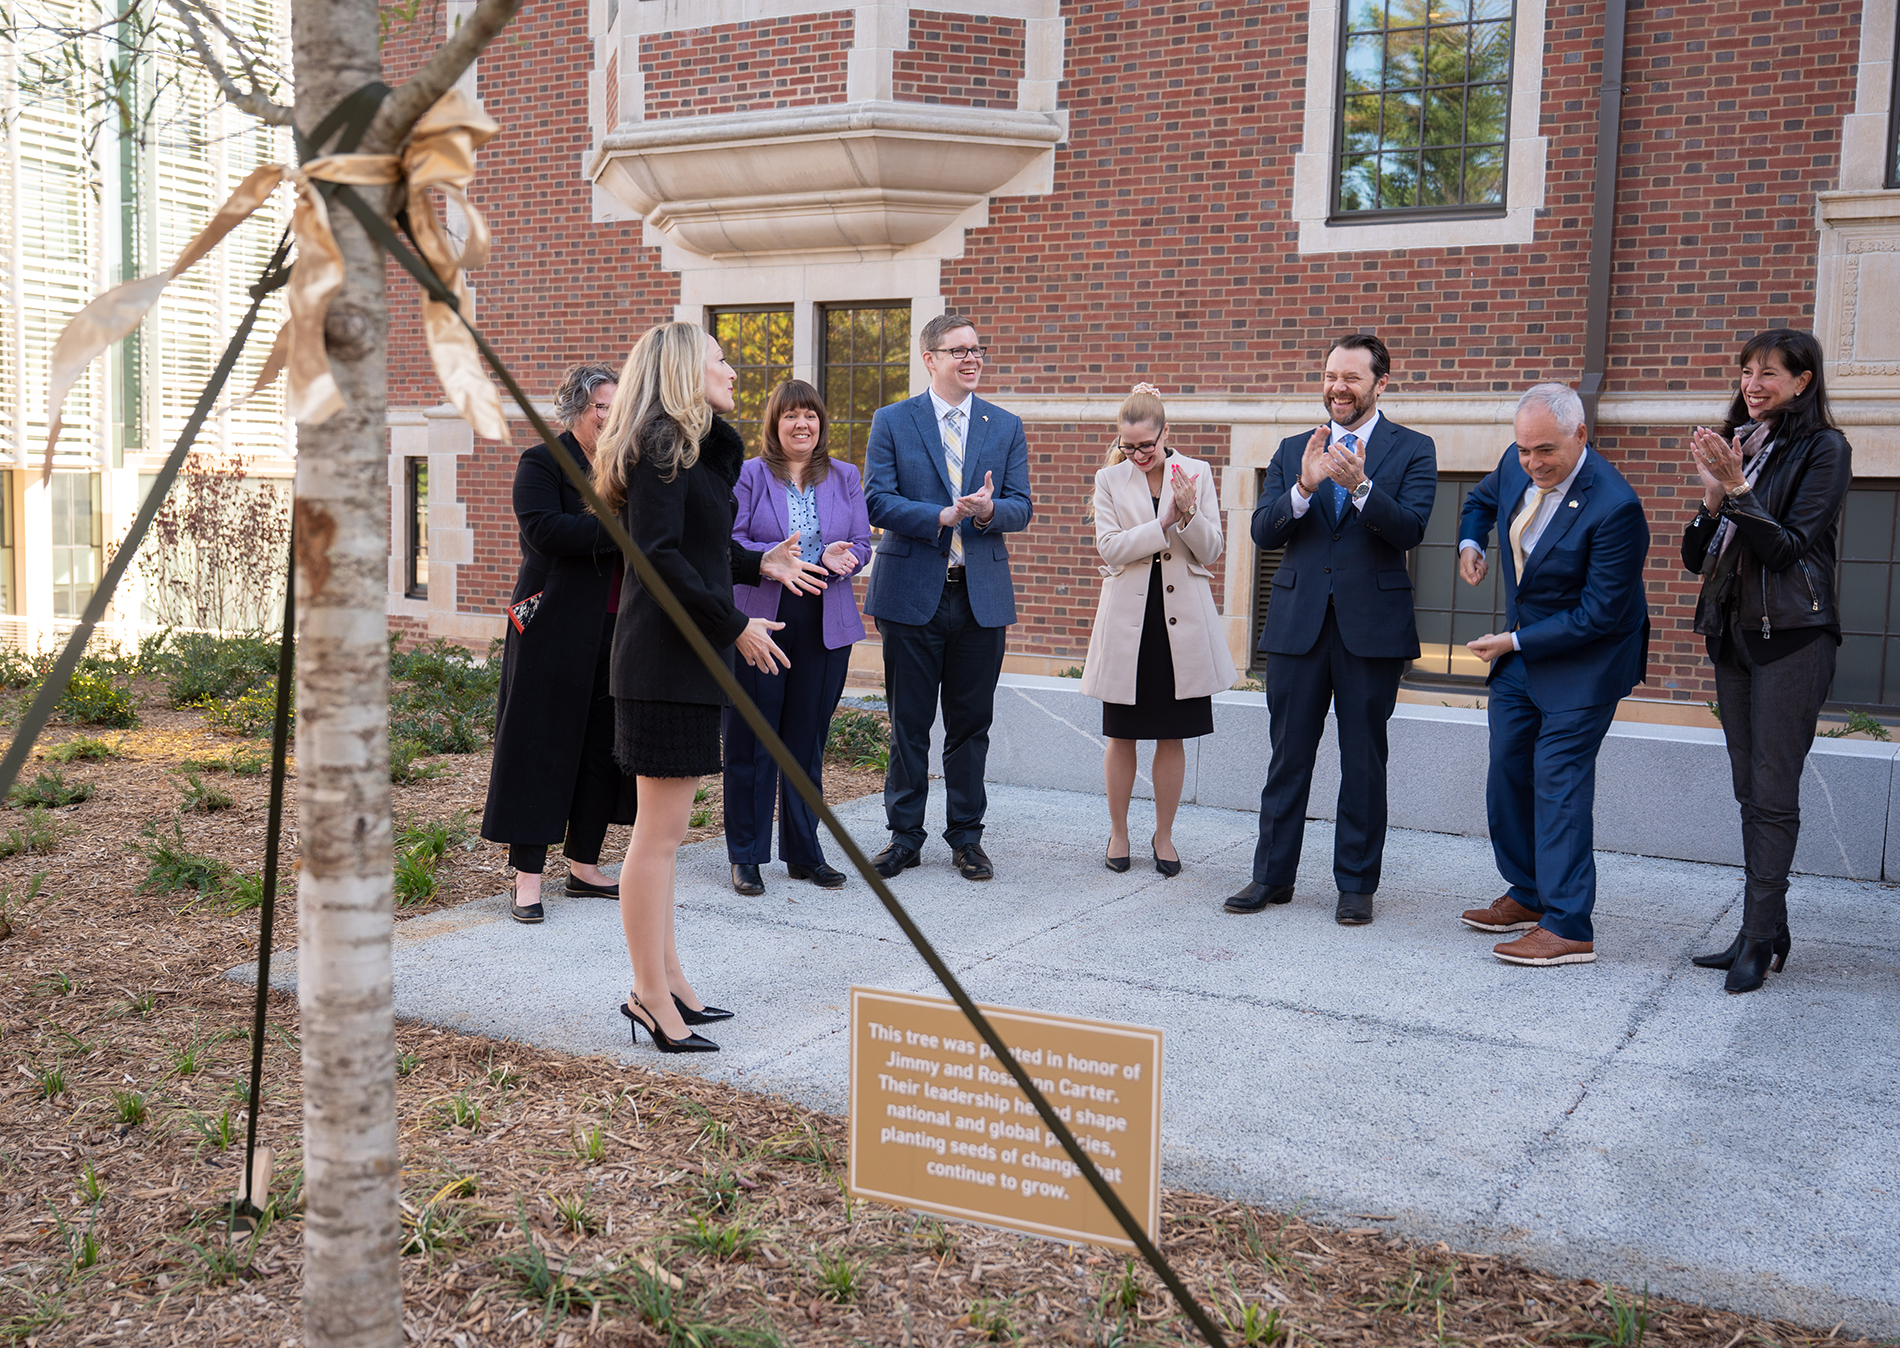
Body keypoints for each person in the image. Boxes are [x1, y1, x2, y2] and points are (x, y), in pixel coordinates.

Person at [593, 321, 825, 1052]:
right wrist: (735, 624)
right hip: (662, 663)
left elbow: (701, 547)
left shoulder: (688, 454)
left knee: (663, 837)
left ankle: (672, 983)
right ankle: (647, 996)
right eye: (722, 361)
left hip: (683, 662)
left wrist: (762, 567)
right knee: (656, 841)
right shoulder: (661, 447)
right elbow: (660, 559)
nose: (734, 372)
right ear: (686, 370)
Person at [1226, 334, 1437, 925]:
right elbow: (1264, 532)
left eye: (1351, 378)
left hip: (1372, 628)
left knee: (1363, 760)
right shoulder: (1296, 447)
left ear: (1380, 384)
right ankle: (1271, 877)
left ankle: (1356, 885)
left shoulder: (1413, 449)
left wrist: (1360, 487)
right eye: (1329, 376)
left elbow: (1411, 529)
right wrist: (1305, 485)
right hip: (1298, 626)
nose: (1337, 387)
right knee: (1287, 756)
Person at [1455, 382, 1651, 967]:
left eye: (1545, 451)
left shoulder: (1616, 507)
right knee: (1507, 771)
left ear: (1580, 437)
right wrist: (1471, 539)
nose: (1533, 464)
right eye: (1523, 451)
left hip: (1585, 662)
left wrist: (1511, 639)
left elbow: (1599, 615)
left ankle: (1569, 925)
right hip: (1521, 654)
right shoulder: (1518, 466)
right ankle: (1530, 893)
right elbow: (1480, 500)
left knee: (1558, 783)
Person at [1680, 330, 1850, 994]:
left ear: (1802, 382)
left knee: (1773, 793)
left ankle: (1756, 939)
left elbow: (1786, 550)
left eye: (1769, 373)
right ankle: (1767, 928)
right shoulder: (1740, 446)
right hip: (1734, 636)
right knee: (1751, 791)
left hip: (1795, 638)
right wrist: (1711, 495)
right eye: (1747, 372)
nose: (1752, 384)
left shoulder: (1823, 450)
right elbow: (1697, 560)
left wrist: (1739, 488)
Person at [862, 313, 1033, 882]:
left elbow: (1022, 506)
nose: (971, 358)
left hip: (979, 597)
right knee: (908, 722)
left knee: (969, 725)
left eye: (977, 349)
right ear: (929, 358)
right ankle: (904, 837)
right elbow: (877, 501)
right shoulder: (892, 421)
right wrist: (939, 515)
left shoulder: (1004, 426)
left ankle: (966, 837)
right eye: (958, 350)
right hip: (912, 595)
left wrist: (989, 511)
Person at [480, 362, 636, 924]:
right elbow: (545, 530)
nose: (611, 417)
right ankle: (527, 878)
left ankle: (585, 865)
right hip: (550, 624)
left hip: (619, 626)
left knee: (602, 748)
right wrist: (623, 530)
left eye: (618, 408)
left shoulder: (625, 466)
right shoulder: (542, 461)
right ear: (575, 410)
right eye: (601, 407)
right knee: (539, 744)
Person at [1080, 384, 1235, 877]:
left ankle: (1164, 836)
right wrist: (1163, 519)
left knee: (1173, 736)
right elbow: (1109, 548)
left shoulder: (1198, 473)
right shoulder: (1110, 479)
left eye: (1146, 445)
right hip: (1129, 623)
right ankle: (1119, 832)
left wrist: (1186, 513)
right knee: (1121, 735)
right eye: (1128, 446)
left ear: (1166, 433)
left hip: (1181, 627)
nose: (1138, 454)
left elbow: (1211, 550)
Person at [725, 380, 873, 895]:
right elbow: (732, 540)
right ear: (774, 424)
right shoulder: (749, 475)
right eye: (790, 416)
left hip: (825, 621)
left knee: (806, 741)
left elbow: (861, 540)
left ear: (820, 423)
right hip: (763, 620)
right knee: (752, 739)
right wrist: (776, 558)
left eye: (809, 415)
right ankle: (745, 855)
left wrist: (843, 556)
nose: (801, 424)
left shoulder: (845, 476)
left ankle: (804, 853)